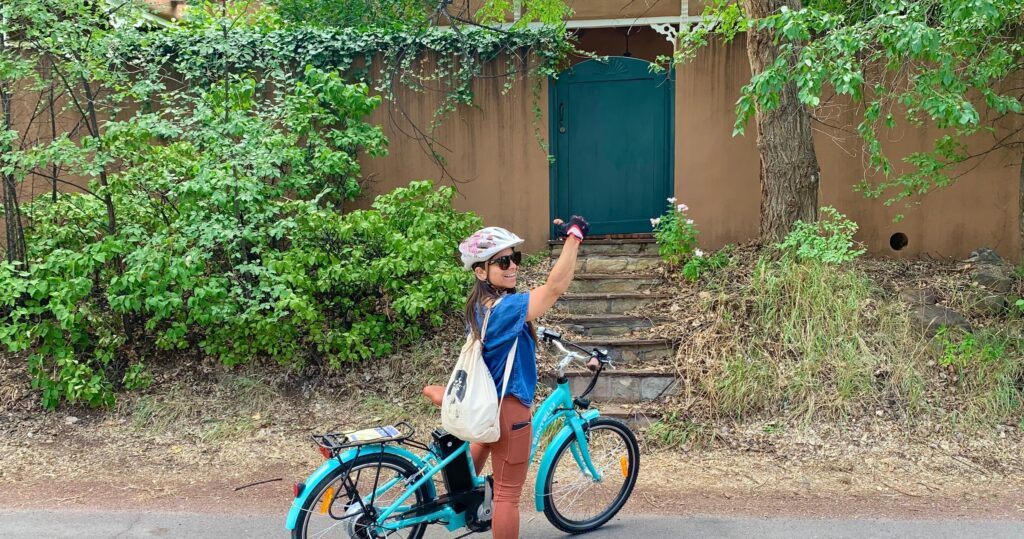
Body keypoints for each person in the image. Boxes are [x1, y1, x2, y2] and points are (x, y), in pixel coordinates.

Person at [422, 216, 589, 539]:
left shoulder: (480, 305)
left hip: (484, 404)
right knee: (508, 496)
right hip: (507, 408)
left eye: (515, 257)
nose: (512, 265)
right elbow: (555, 287)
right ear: (481, 271)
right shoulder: (507, 308)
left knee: (483, 447)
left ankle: (464, 499)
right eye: (502, 261)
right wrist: (574, 237)